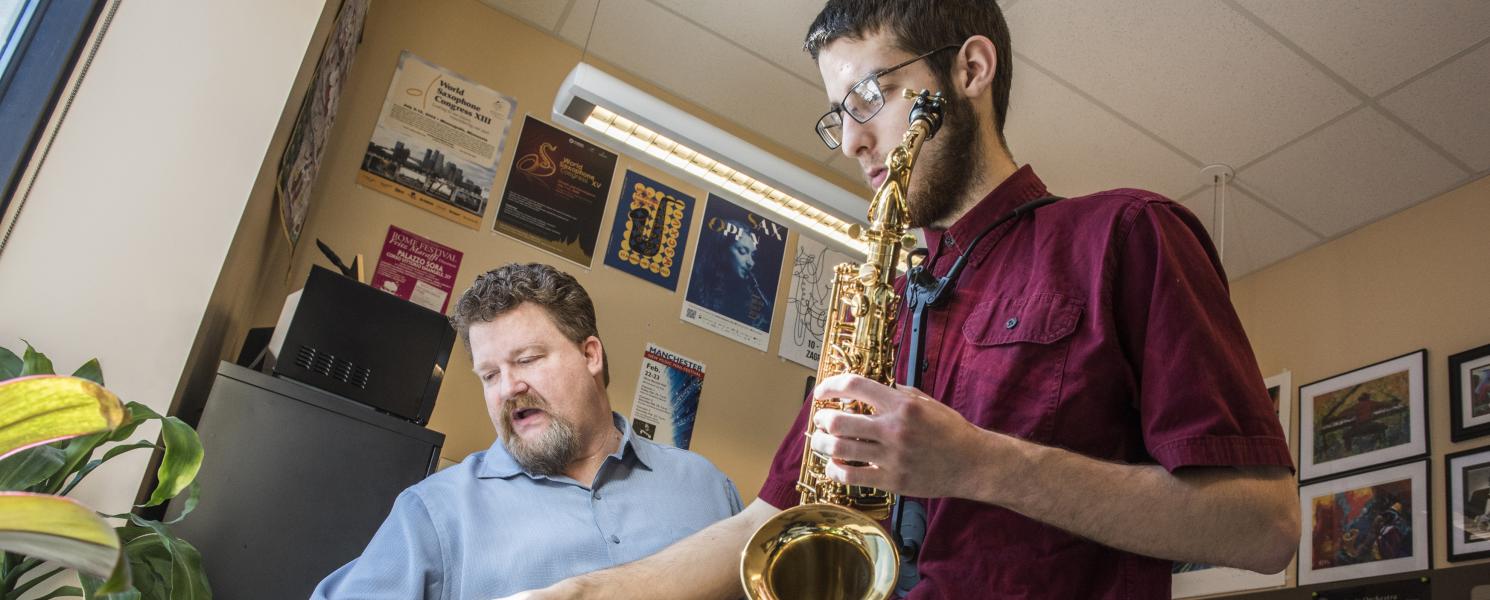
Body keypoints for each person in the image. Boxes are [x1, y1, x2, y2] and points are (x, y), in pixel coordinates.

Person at [502, 1, 1297, 598]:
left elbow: (1266, 525)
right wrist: (580, 593)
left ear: (971, 70)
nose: (851, 141)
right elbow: (765, 524)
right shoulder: (886, 303)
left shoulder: (1126, 234)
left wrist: (979, 464)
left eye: (870, 97)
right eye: (837, 115)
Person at [312, 263, 742, 599]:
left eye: (528, 359)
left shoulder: (708, 487)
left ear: (590, 354)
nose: (508, 388)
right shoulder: (434, 514)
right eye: (489, 375)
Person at [686, 218, 773, 330]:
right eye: (742, 251)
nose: (751, 262)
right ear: (722, 250)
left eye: (752, 255)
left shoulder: (749, 298)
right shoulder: (693, 283)